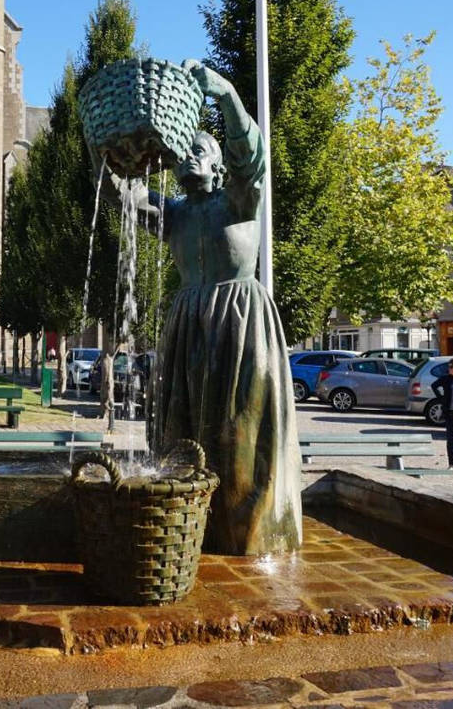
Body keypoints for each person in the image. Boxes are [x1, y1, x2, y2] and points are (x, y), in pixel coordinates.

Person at [95, 60, 302, 556]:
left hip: (241, 322)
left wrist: (226, 95)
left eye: (198, 150)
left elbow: (252, 156)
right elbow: (119, 191)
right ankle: (187, 527)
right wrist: (103, 144)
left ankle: (246, 530)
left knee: (239, 432)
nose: (187, 157)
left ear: (215, 163)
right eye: (182, 151)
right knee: (181, 431)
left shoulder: (239, 200)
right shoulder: (175, 214)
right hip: (189, 324)